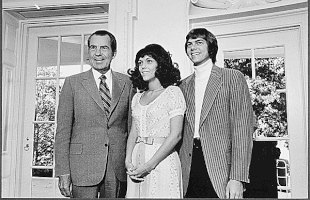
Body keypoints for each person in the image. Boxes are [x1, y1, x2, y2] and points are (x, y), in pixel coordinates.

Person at [55, 30, 136, 198]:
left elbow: (131, 128)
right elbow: (62, 132)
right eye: (93, 48)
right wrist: (63, 171)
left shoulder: (128, 83)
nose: (98, 53)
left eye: (104, 48)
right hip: (82, 167)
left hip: (116, 167)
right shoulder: (72, 83)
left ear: (114, 53)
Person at [178, 28, 254, 198]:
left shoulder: (233, 77)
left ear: (211, 47)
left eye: (199, 42)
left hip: (221, 167)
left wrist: (237, 177)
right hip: (188, 166)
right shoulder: (182, 86)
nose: (192, 47)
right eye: (189, 44)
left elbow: (242, 130)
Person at [125, 44, 186, 198]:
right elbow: (133, 132)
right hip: (136, 161)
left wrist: (149, 165)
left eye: (149, 61)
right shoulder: (137, 97)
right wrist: (127, 160)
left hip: (162, 161)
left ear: (160, 64)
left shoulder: (172, 92)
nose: (143, 66)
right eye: (140, 62)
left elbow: (176, 135)